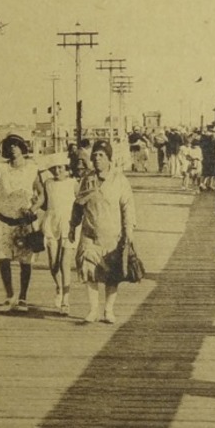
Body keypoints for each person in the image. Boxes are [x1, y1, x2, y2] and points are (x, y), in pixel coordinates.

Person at [69, 139, 135, 324]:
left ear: (109, 159)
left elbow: (128, 206)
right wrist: (72, 226)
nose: (97, 159)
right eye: (95, 155)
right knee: (89, 271)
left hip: (113, 235)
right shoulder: (87, 179)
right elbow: (78, 205)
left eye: (101, 156)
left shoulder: (119, 180)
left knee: (111, 275)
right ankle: (93, 310)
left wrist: (129, 231)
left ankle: (108, 310)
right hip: (89, 234)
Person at [0, 132, 42, 312]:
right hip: (4, 220)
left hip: (24, 222)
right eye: (9, 145)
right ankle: (9, 296)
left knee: (25, 261)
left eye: (16, 145)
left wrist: (34, 208)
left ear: (22, 148)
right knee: (4, 259)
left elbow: (42, 193)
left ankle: (23, 298)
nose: (13, 148)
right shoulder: (2, 168)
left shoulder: (31, 168)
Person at [39, 159, 78, 313]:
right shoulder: (48, 183)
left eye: (60, 168)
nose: (57, 171)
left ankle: (66, 301)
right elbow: (44, 202)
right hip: (52, 223)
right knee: (53, 264)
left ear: (67, 169)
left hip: (68, 224)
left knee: (65, 263)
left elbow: (81, 203)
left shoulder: (73, 183)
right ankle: (59, 287)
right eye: (54, 168)